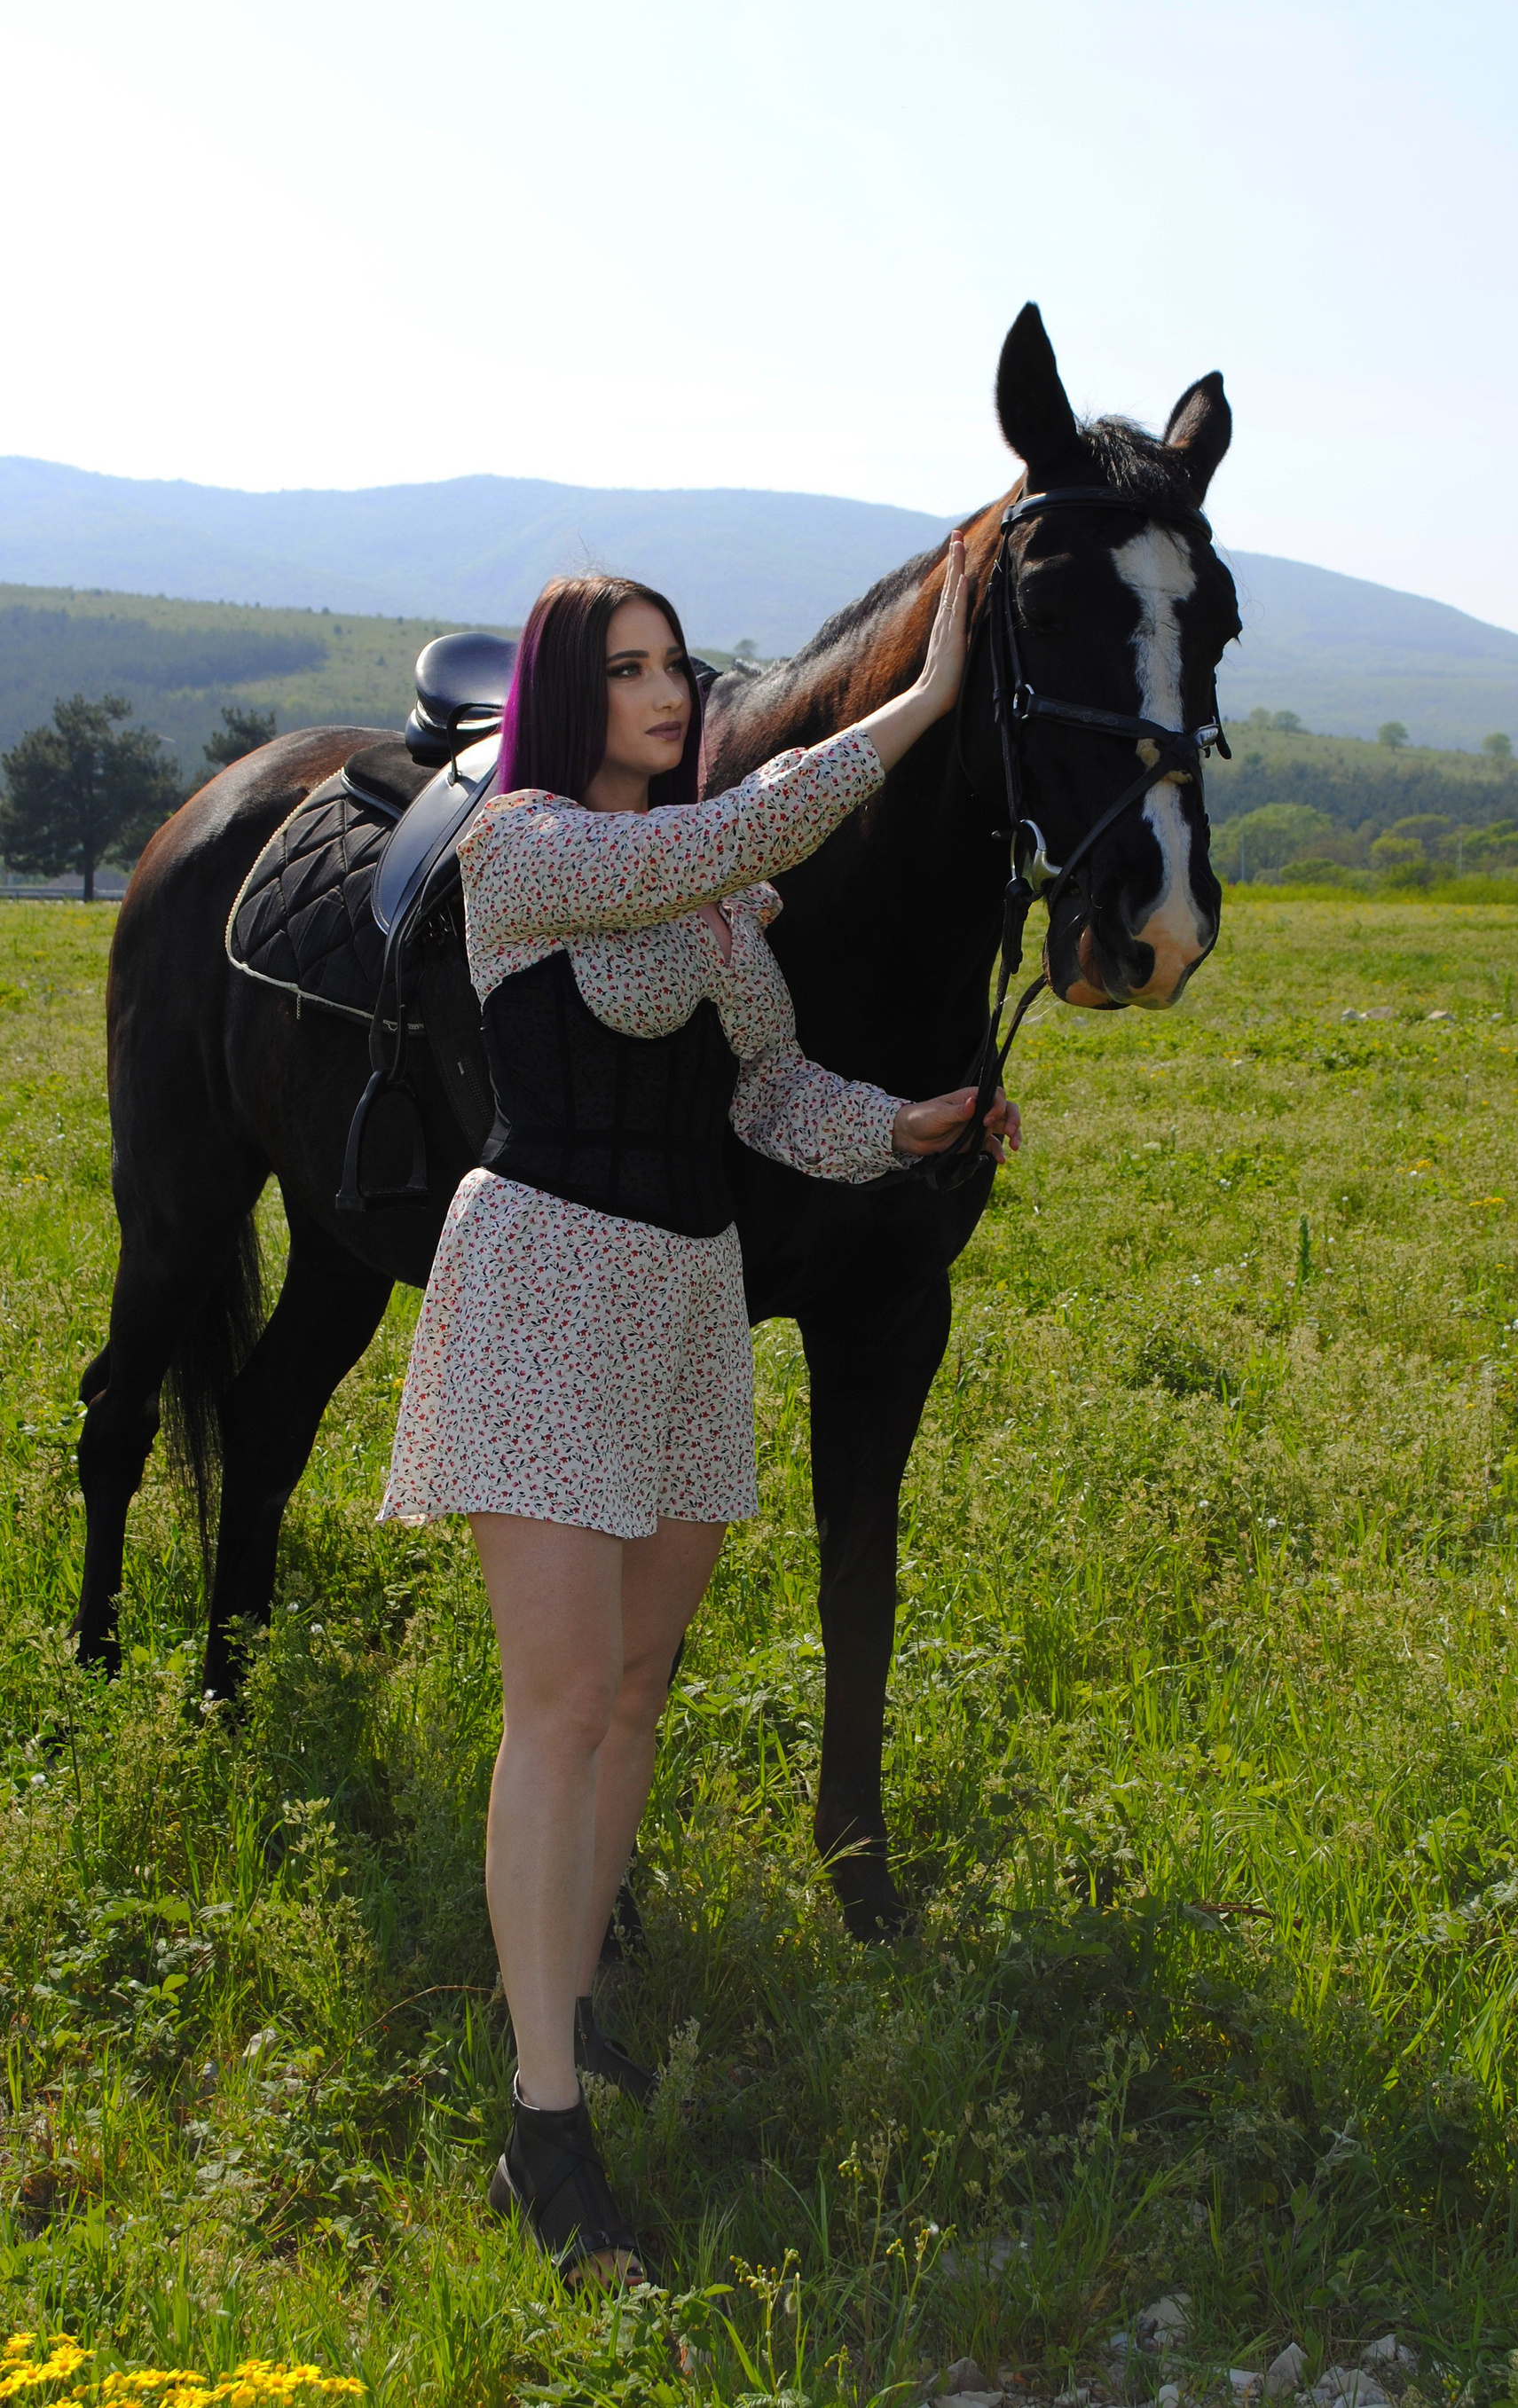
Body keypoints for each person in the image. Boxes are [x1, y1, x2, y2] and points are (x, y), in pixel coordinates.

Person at [379, 531, 1018, 2286]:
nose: (667, 694)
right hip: (544, 1292)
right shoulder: (532, 851)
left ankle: (573, 2014)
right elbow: (744, 828)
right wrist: (922, 698)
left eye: (676, 666)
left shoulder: (706, 899)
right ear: (569, 693)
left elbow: (773, 1097)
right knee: (560, 1703)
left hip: (683, 1307)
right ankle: (542, 2130)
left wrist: (906, 1129)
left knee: (636, 1692)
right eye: (632, 670)